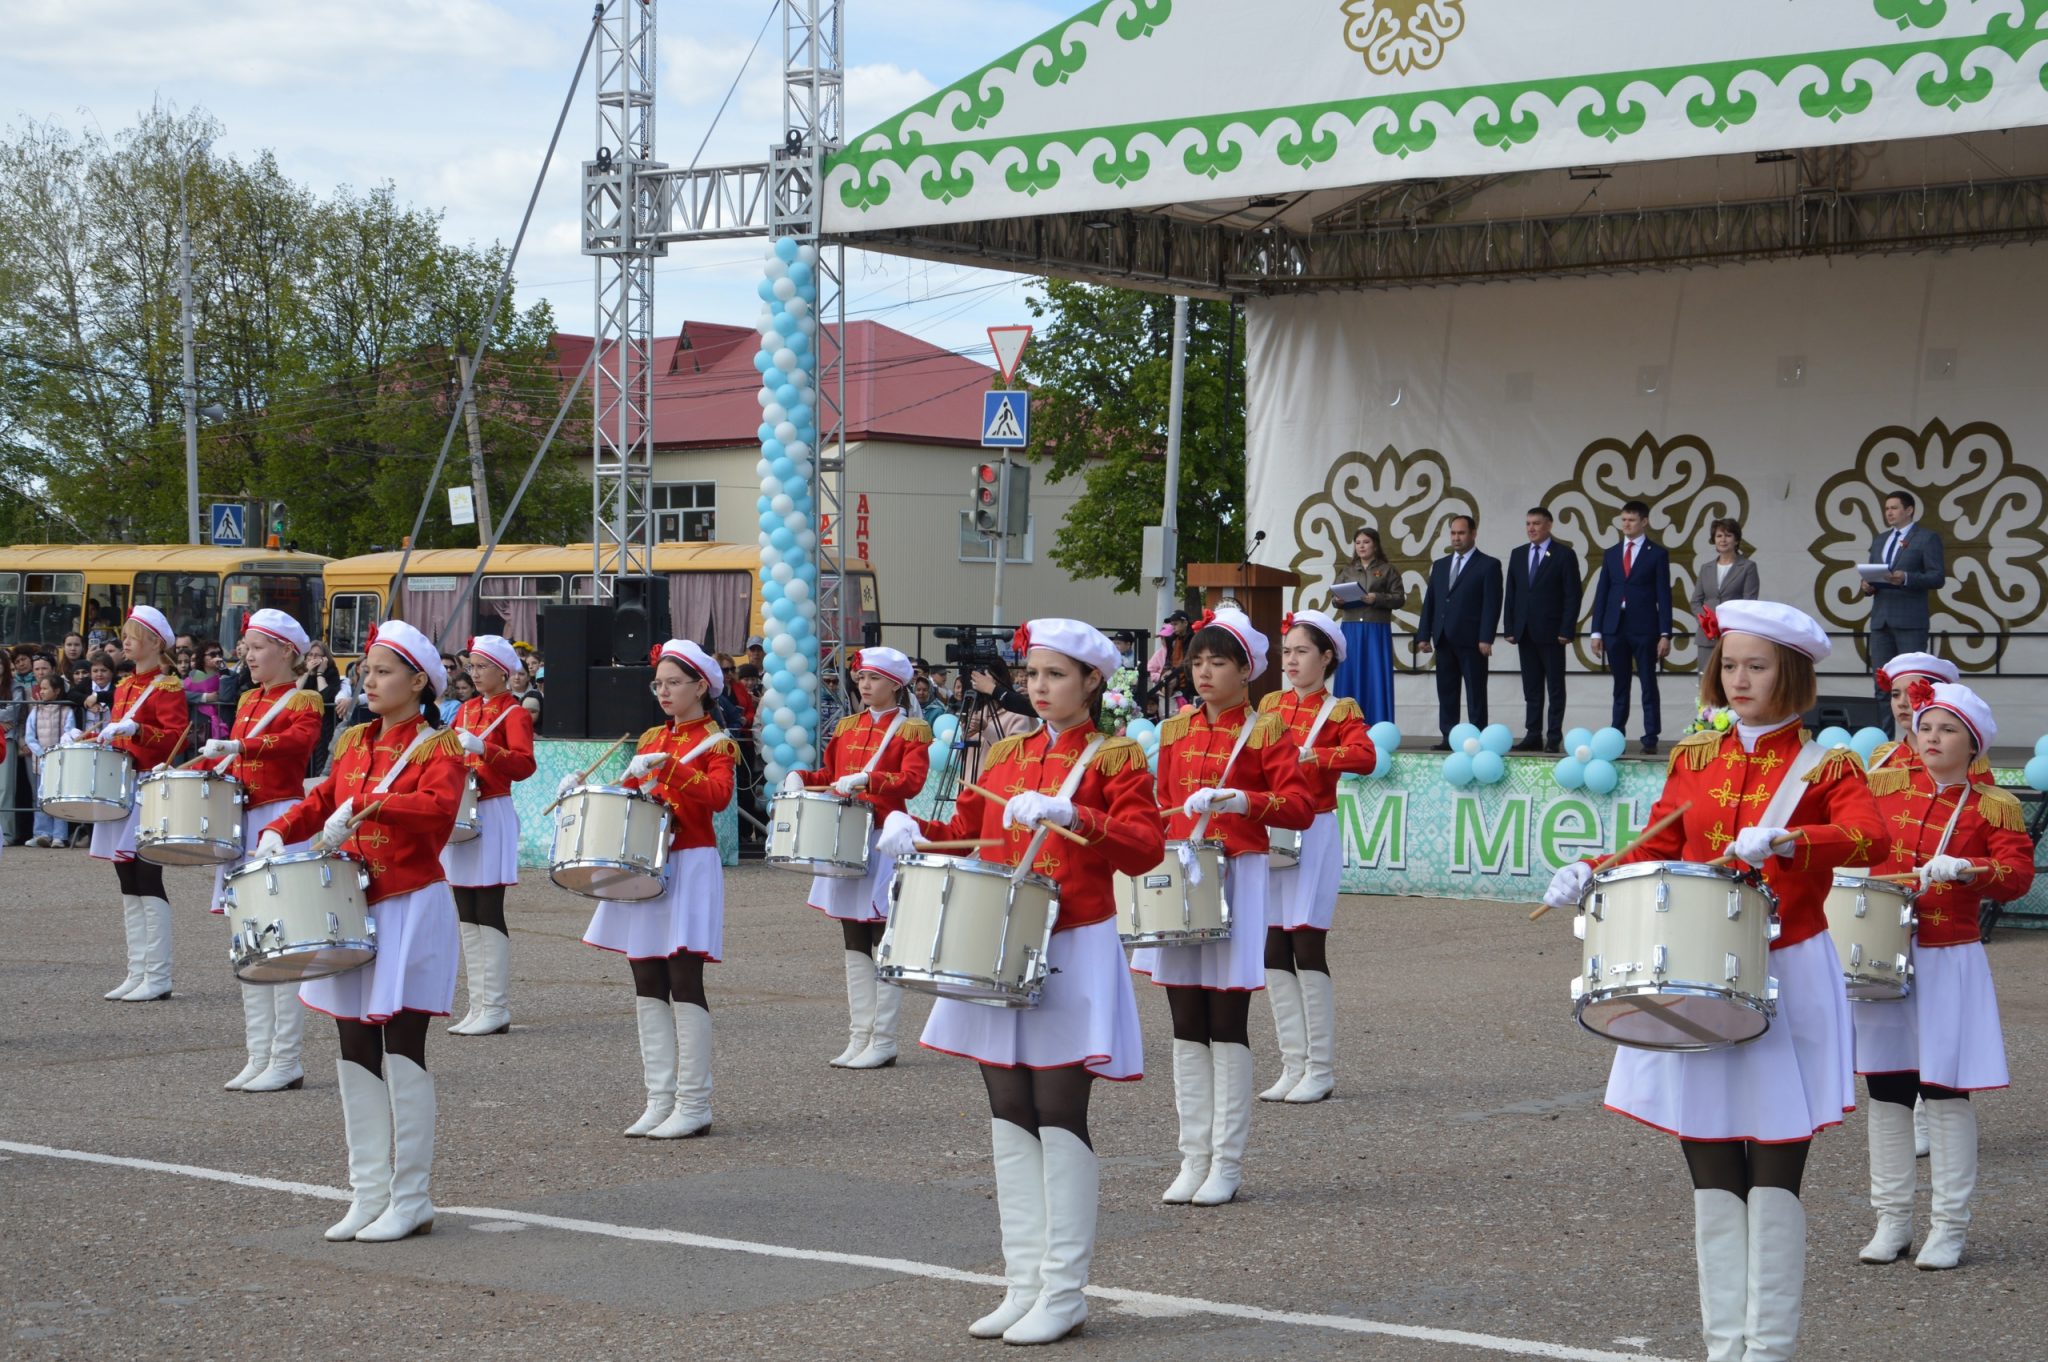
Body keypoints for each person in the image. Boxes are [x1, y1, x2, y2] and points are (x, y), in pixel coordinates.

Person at [1542, 600, 1887, 1362]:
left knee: (1773, 1163)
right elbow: (1656, 841)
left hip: (1785, 969)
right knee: (1709, 1164)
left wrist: (1797, 838)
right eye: (1729, 664)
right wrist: (1591, 874)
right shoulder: (1695, 756)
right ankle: (1721, 1345)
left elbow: (1873, 832)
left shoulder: (1828, 764)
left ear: (1790, 674)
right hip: (1695, 972)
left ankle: (1768, 1349)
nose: (1738, 679)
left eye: (1756, 666)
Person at [874, 618, 1161, 1344]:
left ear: (1092, 681)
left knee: (1059, 1111)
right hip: (1000, 943)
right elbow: (969, 829)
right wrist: (914, 828)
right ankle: (1022, 1280)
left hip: (1073, 943)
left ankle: (1064, 1291)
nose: (1039, 687)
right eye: (1032, 674)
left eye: (1056, 675)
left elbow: (1144, 848)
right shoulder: (1004, 752)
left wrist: (1077, 813)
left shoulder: (1115, 756)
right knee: (1008, 1110)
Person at [262, 621, 465, 1243]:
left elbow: (439, 814)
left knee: (403, 1048)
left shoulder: (442, 747)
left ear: (417, 681)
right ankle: (367, 1191)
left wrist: (378, 803)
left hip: (409, 903)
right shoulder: (353, 742)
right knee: (353, 1049)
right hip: (352, 905)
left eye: (382, 671)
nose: (368, 680)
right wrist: (283, 829)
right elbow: (324, 799)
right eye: (366, 671)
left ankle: (412, 1197)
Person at [1132, 607, 1313, 1207]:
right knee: (1184, 1018)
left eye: (1218, 662)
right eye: (1198, 661)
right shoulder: (1174, 732)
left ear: (1246, 671)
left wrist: (1242, 800)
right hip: (1183, 876)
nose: (1204, 672)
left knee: (1225, 1018)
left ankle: (1227, 1162)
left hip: (1238, 874)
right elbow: (1161, 804)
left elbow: (1298, 807)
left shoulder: (1265, 732)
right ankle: (1192, 1157)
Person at [1853, 682, 2029, 1271]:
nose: (1930, 737)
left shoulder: (1992, 806)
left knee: (1946, 1090)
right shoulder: (1881, 788)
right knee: (1887, 1086)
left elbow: (2016, 876)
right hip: (1883, 954)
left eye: (1947, 729)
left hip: (1947, 956)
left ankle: (1949, 1226)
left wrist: (1969, 869)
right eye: (1926, 726)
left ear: (1973, 745)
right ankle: (1892, 1220)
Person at [577, 638, 738, 1140]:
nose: (663, 692)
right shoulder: (650, 735)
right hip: (644, 865)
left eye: (673, 683)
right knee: (645, 978)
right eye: (659, 683)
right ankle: (658, 1098)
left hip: (689, 863)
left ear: (700, 687)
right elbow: (627, 796)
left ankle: (695, 1102)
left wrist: (669, 768)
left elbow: (716, 798)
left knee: (684, 979)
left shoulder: (717, 742)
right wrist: (583, 794)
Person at [782, 647, 931, 1069]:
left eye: (874, 679)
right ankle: (858, 1034)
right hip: (845, 838)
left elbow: (913, 782)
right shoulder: (848, 727)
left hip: (884, 836)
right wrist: (802, 777)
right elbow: (829, 776)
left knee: (883, 935)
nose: (864, 685)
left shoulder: (912, 731)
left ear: (896, 685)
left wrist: (871, 779)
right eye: (861, 678)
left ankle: (883, 1038)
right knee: (852, 937)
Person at [199, 609, 326, 1093]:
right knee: (246, 938)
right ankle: (258, 1054)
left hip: (279, 819)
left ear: (287, 651)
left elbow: (298, 744)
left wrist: (237, 748)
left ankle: (286, 1058)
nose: (247, 655)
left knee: (283, 941)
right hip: (244, 819)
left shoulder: (305, 698)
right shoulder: (250, 697)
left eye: (257, 646)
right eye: (246, 647)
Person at [1259, 609, 1373, 1104]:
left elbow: (1366, 757)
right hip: (1271, 828)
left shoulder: (1341, 711)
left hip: (1315, 830)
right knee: (1272, 949)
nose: (1291, 660)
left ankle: (1320, 1069)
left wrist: (1317, 756)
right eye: (1286, 652)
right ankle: (1291, 1065)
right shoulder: (1269, 705)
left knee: (1306, 945)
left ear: (1327, 657)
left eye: (1302, 651)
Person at [80, 607, 189, 1002]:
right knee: (126, 879)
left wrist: (139, 729)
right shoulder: (125, 684)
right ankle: (136, 971)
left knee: (146, 877)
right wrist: (93, 738)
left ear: (156, 643)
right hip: (121, 784)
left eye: (133, 635)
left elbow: (174, 738)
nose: (125, 642)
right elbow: (119, 734)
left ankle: (158, 975)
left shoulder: (167, 687)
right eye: (125, 635)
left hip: (149, 784)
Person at [441, 636, 538, 1039]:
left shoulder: (514, 713)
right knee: (464, 907)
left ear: (503, 670)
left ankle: (495, 1005)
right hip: (462, 809)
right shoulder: (464, 710)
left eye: (482, 667)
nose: (475, 674)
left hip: (492, 809)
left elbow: (525, 766)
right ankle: (477, 1003)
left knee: (488, 906)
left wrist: (485, 749)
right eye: (472, 667)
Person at [1589, 498, 1674, 755]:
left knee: (1648, 682)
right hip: (1615, 626)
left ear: (1644, 522)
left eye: (1631, 520)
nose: (1626, 524)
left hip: (1645, 627)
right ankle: (1616, 734)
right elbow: (1601, 592)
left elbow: (1663, 595)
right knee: (1620, 684)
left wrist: (1665, 633)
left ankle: (1650, 736)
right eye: (1623, 519)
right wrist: (1596, 631)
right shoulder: (1612, 553)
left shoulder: (1657, 553)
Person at [1863, 490, 1947, 736]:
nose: (1889, 512)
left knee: (1915, 685)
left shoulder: (1926, 538)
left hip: (1910, 620)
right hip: (1881, 619)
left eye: (1894, 508)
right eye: (1887, 508)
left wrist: (1907, 577)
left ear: (1909, 510)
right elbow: (1874, 571)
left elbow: (1937, 577)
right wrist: (1867, 586)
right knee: (1882, 685)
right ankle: (1883, 742)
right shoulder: (1880, 540)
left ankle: (1921, 739)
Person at [1414, 515, 1501, 749]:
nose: (1456, 538)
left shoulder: (1488, 565)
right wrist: (1423, 635)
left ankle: (1478, 737)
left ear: (1473, 533)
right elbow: (1430, 601)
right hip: (1443, 637)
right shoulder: (1441, 565)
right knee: (1447, 691)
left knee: (1475, 692)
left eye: (1461, 533)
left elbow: (1492, 605)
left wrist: (1486, 637)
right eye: (1453, 533)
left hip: (1473, 640)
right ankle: (1448, 737)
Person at [1502, 506, 1582, 753]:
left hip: (1552, 632)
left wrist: (1567, 629)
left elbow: (1572, 595)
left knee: (1555, 686)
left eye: (1536, 523)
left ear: (1549, 525)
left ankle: (1554, 735)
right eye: (1528, 524)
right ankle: (1533, 733)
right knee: (1532, 687)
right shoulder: (1518, 554)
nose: (1531, 528)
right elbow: (1512, 593)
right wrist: (1510, 627)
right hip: (1525, 631)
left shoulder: (1564, 554)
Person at [1332, 525, 1402, 724]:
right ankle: (1344, 724)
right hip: (1351, 628)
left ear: (1376, 545)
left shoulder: (1387, 570)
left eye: (1366, 542)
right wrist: (1338, 601)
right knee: (1350, 672)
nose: (1361, 546)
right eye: (1358, 543)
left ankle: (1377, 723)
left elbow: (1399, 598)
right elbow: (1335, 596)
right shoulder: (1347, 570)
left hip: (1375, 628)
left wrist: (1377, 598)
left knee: (1375, 675)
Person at [1867, 652, 1957, 776]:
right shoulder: (1884, 756)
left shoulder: (1960, 757)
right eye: (1895, 695)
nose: (1901, 703)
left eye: (1911, 693)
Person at [24, 675, 80, 848]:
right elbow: (30, 736)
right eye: (40, 689)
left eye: (45, 688)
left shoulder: (66, 711)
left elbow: (69, 733)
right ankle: (42, 833)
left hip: (60, 761)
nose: (41, 692)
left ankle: (59, 835)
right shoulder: (35, 711)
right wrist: (42, 754)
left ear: (57, 691)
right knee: (41, 797)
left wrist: (56, 753)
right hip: (41, 762)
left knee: (59, 798)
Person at [1693, 517, 1760, 614]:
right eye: (1719, 536)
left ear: (1736, 540)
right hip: (1707, 627)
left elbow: (1749, 603)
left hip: (1733, 626)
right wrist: (1707, 621)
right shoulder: (1705, 568)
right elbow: (1695, 601)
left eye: (1728, 535)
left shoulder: (1748, 567)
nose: (1723, 540)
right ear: (1714, 540)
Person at [298, 642, 345, 777]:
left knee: (320, 757)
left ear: (324, 658)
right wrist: (306, 672)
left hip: (324, 724)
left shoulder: (331, 672)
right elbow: (294, 692)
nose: (312, 658)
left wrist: (319, 673)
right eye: (310, 655)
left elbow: (324, 697)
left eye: (317, 655)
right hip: (303, 722)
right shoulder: (300, 671)